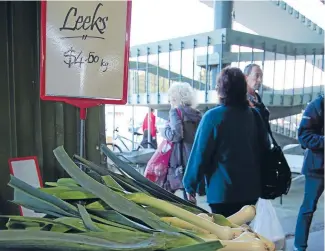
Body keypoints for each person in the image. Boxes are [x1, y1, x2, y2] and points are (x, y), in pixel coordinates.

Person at [183, 67, 269, 216]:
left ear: (221, 90)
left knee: (226, 236)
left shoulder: (213, 117)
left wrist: (190, 186)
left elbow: (200, 154)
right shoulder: (254, 115)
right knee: (243, 233)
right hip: (250, 192)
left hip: (222, 194)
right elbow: (265, 148)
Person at [293, 94, 324, 251]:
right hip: (317, 168)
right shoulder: (318, 105)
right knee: (308, 207)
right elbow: (304, 136)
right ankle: (299, 246)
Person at [162, 82, 202, 199]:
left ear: (174, 98)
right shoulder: (197, 114)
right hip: (193, 158)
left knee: (168, 192)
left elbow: (176, 135)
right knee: (190, 195)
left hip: (179, 160)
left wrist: (163, 131)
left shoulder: (175, 112)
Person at [244, 64, 270, 129]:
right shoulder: (239, 100)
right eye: (257, 75)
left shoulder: (258, 100)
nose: (260, 80)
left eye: (261, 76)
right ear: (246, 77)